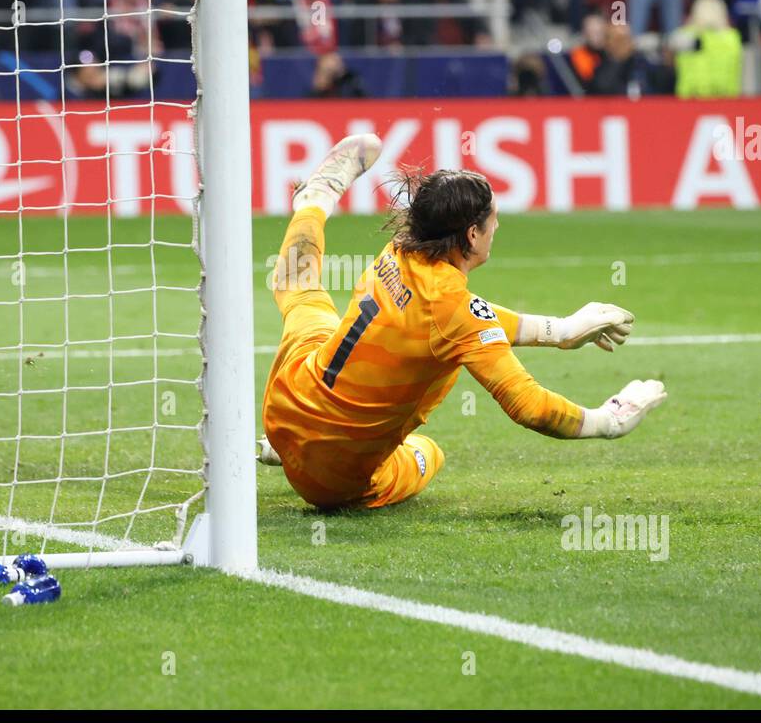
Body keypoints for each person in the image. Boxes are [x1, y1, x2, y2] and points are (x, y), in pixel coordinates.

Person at [257, 134, 667, 509]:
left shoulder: (398, 250)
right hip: (328, 479)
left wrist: (559, 330)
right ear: (472, 234)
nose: (497, 229)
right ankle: (304, 453)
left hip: (284, 403)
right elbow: (529, 406)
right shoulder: (452, 309)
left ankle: (317, 199)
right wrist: (608, 420)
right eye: (493, 222)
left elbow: (466, 317)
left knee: (301, 291)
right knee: (427, 453)